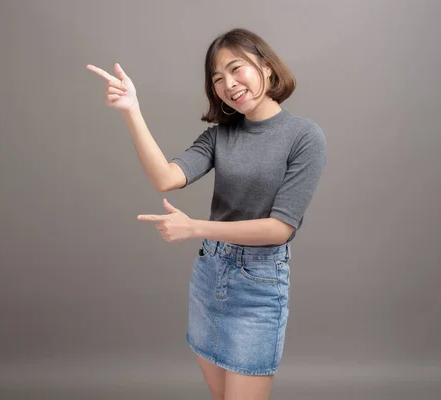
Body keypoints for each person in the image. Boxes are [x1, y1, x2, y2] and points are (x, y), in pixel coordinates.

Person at [87, 27, 326, 400]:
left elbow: (280, 228)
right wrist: (132, 111)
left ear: (265, 67)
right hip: (209, 277)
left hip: (259, 286)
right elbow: (166, 178)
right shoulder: (220, 136)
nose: (228, 84)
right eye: (217, 78)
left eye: (236, 69)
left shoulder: (304, 136)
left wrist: (194, 227)